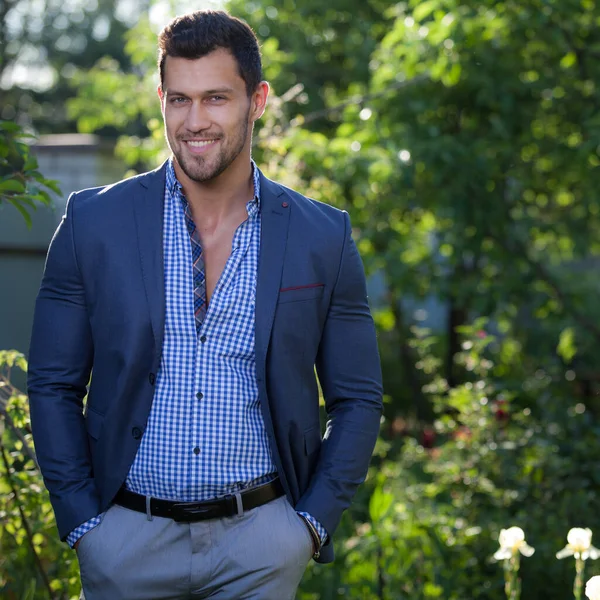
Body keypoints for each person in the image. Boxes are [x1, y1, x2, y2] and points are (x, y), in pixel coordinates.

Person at [27, 9, 383, 600]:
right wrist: (84, 524)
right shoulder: (94, 223)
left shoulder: (323, 236)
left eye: (216, 98)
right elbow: (52, 383)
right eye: (179, 100)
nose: (195, 121)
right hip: (125, 544)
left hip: (261, 548)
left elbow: (358, 397)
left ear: (258, 100)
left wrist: (310, 525)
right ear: (161, 100)